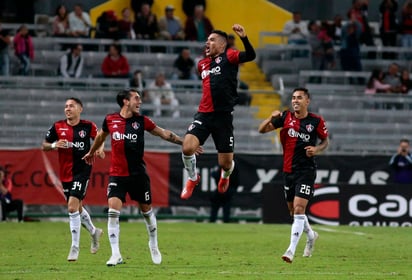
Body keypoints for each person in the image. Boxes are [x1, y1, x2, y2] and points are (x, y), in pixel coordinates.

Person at [82, 89, 199, 266]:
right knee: (113, 212)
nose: (140, 102)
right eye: (136, 98)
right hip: (117, 174)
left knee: (146, 212)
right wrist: (91, 152)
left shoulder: (142, 121)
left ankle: (153, 243)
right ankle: (116, 254)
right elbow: (100, 136)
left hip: (138, 175)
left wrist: (186, 142)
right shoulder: (110, 119)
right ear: (125, 101)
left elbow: (164, 133)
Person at [180, 24, 256, 200]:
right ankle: (193, 178)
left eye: (212, 40)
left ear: (222, 45)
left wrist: (244, 38)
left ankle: (225, 175)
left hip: (223, 118)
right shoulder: (202, 65)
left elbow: (250, 56)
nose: (208, 43)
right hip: (204, 115)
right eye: (207, 40)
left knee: (225, 163)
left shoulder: (229, 56)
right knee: (187, 147)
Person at [257, 87, 329, 263]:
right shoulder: (285, 117)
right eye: (294, 98)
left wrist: (317, 149)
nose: (295, 101)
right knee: (292, 211)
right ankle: (311, 235)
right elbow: (261, 130)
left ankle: (290, 250)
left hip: (306, 170)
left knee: (298, 209)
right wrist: (270, 118)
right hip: (288, 170)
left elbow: (326, 141)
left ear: (307, 101)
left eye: (299, 98)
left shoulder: (316, 121)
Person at [42, 97, 104, 261]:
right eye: (66, 106)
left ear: (80, 109)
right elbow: (44, 145)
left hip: (82, 169)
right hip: (65, 172)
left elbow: (100, 137)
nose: (67, 109)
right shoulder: (57, 126)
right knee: (77, 207)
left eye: (71, 106)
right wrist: (55, 145)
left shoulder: (88, 126)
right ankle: (93, 232)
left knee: (71, 207)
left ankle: (74, 248)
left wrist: (99, 149)